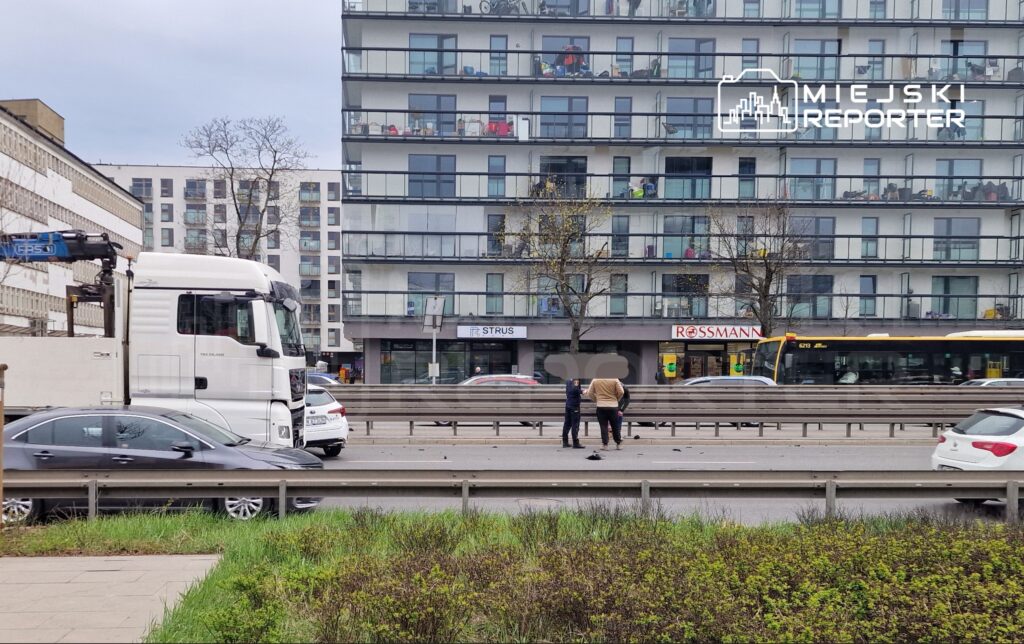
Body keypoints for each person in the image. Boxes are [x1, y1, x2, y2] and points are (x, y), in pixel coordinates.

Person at [584, 377, 625, 450]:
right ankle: (618, 443)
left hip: (601, 406)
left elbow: (589, 393)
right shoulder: (614, 379)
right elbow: (621, 392)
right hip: (613, 406)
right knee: (615, 426)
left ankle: (605, 444)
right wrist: (616, 399)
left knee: (603, 426)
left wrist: (596, 400)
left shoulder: (595, 379)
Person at [562, 378, 584, 449]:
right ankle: (575, 443)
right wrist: (583, 391)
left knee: (567, 423)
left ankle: (565, 442)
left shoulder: (568, 380)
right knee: (575, 424)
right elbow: (575, 389)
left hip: (568, 404)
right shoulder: (576, 379)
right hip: (574, 406)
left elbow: (568, 391)